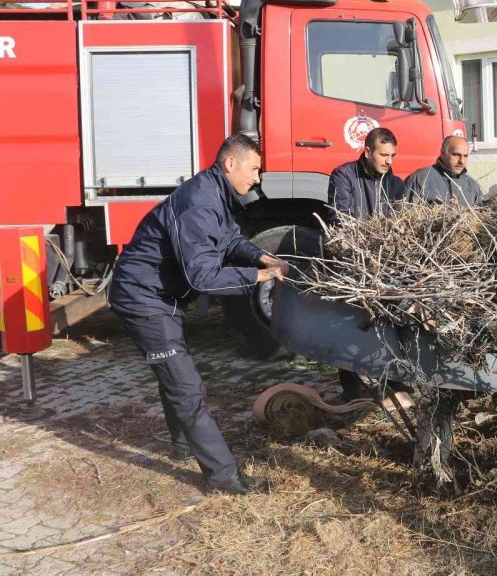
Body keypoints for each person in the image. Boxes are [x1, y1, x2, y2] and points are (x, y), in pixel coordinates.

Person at [109, 135, 289, 496]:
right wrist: (257, 277)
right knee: (186, 386)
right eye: (254, 169)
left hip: (160, 297)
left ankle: (180, 446)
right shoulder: (201, 203)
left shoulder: (217, 195)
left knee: (176, 375)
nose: (257, 178)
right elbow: (202, 276)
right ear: (230, 164)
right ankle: (223, 478)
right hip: (142, 298)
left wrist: (261, 257)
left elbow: (230, 240)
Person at [326, 128, 407, 401]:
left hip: (386, 267)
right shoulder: (344, 176)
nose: (389, 161)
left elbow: (400, 226)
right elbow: (341, 220)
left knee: (393, 321)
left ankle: (396, 383)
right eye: (384, 155)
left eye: (393, 155)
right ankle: (351, 389)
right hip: (351, 264)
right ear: (368, 151)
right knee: (348, 325)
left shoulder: (396, 184)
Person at [404, 136, 484, 207]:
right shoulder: (420, 179)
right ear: (442, 154)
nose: (461, 161)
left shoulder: (472, 186)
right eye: (456, 155)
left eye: (465, 156)